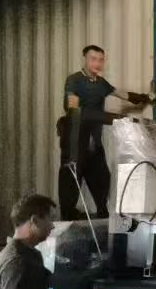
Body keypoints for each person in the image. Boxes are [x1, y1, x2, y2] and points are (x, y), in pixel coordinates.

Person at [62, 45, 149, 218]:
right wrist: (114, 118)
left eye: (101, 60)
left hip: (94, 143)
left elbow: (123, 94)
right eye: (93, 59)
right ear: (85, 59)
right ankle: (68, 220)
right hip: (75, 143)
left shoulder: (101, 83)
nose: (97, 63)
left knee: (102, 182)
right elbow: (73, 110)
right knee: (71, 183)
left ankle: (104, 219)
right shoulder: (74, 80)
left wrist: (146, 98)